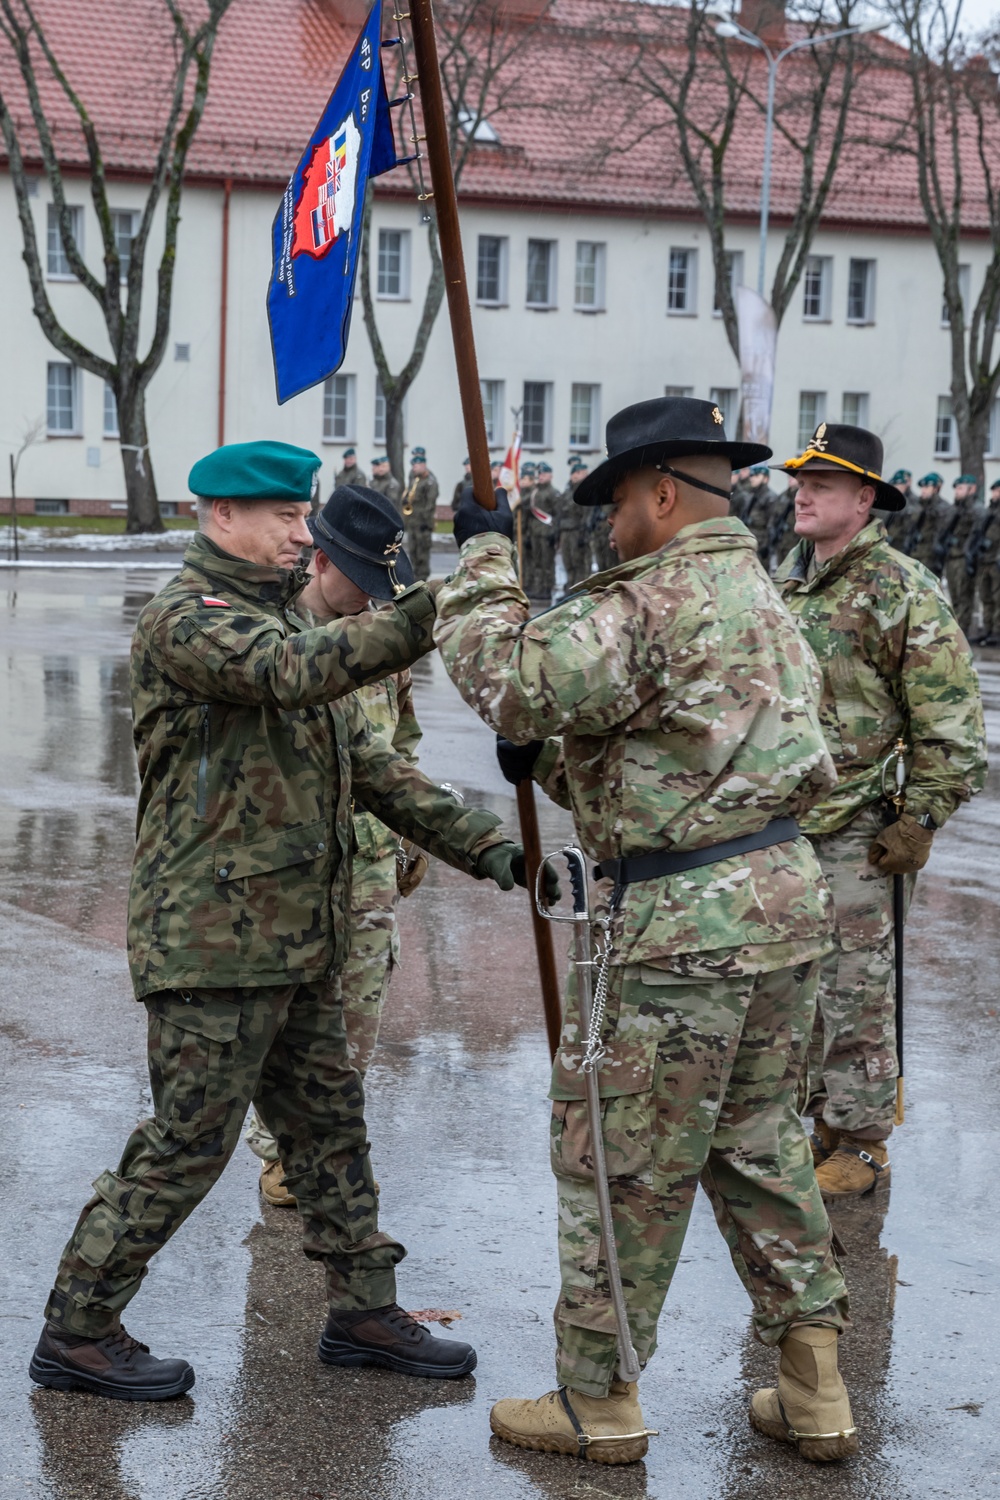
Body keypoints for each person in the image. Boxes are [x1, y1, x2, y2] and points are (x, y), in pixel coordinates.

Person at [28, 447, 543, 1402]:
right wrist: (460, 585)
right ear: (221, 514)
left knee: (329, 1131)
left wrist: (506, 856)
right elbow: (298, 671)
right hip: (212, 945)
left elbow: (379, 776)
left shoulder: (272, 620)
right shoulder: (192, 620)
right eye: (282, 516)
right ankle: (79, 1329)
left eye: (303, 516)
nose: (303, 534)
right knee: (188, 1145)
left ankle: (362, 1310)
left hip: (298, 940)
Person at [438, 397, 857, 1466]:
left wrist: (484, 559)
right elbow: (690, 735)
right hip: (780, 905)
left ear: (663, 491)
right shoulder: (763, 592)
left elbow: (514, 680)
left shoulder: (652, 592)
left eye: (617, 499)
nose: (608, 523)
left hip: (678, 927)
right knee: (761, 1143)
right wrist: (565, 756)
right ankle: (814, 1383)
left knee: (620, 1159)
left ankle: (597, 1400)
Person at [775, 425, 987, 1198]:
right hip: (786, 825)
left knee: (856, 988)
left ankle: (863, 1143)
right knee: (795, 985)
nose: (803, 493)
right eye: (801, 480)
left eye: (823, 485)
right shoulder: (789, 580)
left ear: (864, 500)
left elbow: (953, 724)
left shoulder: (900, 588)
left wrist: (921, 820)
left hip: (865, 828)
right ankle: (821, 1120)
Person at [247, 510, 439, 1206]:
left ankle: (325, 1151)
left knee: (357, 1015)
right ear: (322, 562)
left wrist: (412, 833)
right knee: (284, 1019)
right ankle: (279, 1154)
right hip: (294, 868)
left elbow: (401, 744)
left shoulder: (383, 645)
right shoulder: (267, 639)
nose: (373, 597)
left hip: (369, 869)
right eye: (363, 581)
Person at [935, 474, 984, 637]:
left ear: (972, 489)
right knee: (954, 597)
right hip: (951, 557)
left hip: (964, 558)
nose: (957, 491)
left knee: (964, 597)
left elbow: (976, 536)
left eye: (961, 488)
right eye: (956, 488)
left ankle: (961, 632)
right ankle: (954, 628)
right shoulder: (955, 509)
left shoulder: (977, 510)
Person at [968, 477, 1000, 645]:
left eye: (998, 491)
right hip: (984, 560)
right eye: (995, 490)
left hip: (996, 561)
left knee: (997, 598)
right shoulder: (989, 512)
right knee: (985, 597)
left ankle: (996, 631)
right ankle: (987, 630)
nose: (995, 493)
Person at [552, 459, 591, 591]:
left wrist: (584, 535)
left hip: (577, 531)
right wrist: (556, 535)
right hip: (565, 532)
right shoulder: (567, 493)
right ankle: (570, 587)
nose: (577, 476)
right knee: (567, 562)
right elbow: (559, 514)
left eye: (581, 473)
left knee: (578, 562)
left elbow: (587, 515)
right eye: (576, 473)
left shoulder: (586, 492)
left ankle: (578, 589)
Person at [402, 446, 440, 581]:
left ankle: (422, 581)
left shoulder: (430, 481)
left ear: (423, 464)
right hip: (413, 522)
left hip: (423, 524)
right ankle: (414, 579)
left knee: (422, 554)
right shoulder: (413, 476)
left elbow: (430, 505)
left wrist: (426, 522)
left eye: (417, 463)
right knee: (412, 552)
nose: (413, 466)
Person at [901, 472, 948, 575]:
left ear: (936, 489)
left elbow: (940, 534)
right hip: (915, 553)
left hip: (930, 558)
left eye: (927, 487)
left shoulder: (942, 508)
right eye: (922, 487)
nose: (923, 490)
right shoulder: (918, 505)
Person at [524, 461, 557, 600]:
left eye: (544, 474)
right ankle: (538, 588)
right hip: (534, 533)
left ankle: (548, 588)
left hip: (546, 533)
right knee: (537, 562)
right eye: (540, 474)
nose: (541, 476)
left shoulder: (553, 492)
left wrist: (555, 533)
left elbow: (557, 514)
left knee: (547, 562)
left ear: (550, 475)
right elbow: (524, 506)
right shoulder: (535, 492)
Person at [739, 463, 778, 569]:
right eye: (751, 476)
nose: (752, 479)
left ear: (765, 478)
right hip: (750, 539)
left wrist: (767, 546)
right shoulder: (751, 495)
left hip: (761, 542)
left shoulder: (770, 497)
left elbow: (772, 524)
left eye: (756, 476)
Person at [768, 474, 800, 573]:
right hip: (781, 541)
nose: (790, 479)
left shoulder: (800, 496)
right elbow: (774, 516)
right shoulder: (783, 496)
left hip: (794, 543)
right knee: (780, 572)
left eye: (793, 477)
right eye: (789, 477)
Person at [880, 469, 912, 551]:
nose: (898, 488)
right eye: (897, 485)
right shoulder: (888, 499)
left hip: (897, 543)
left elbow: (904, 527)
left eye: (901, 485)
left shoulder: (908, 505)